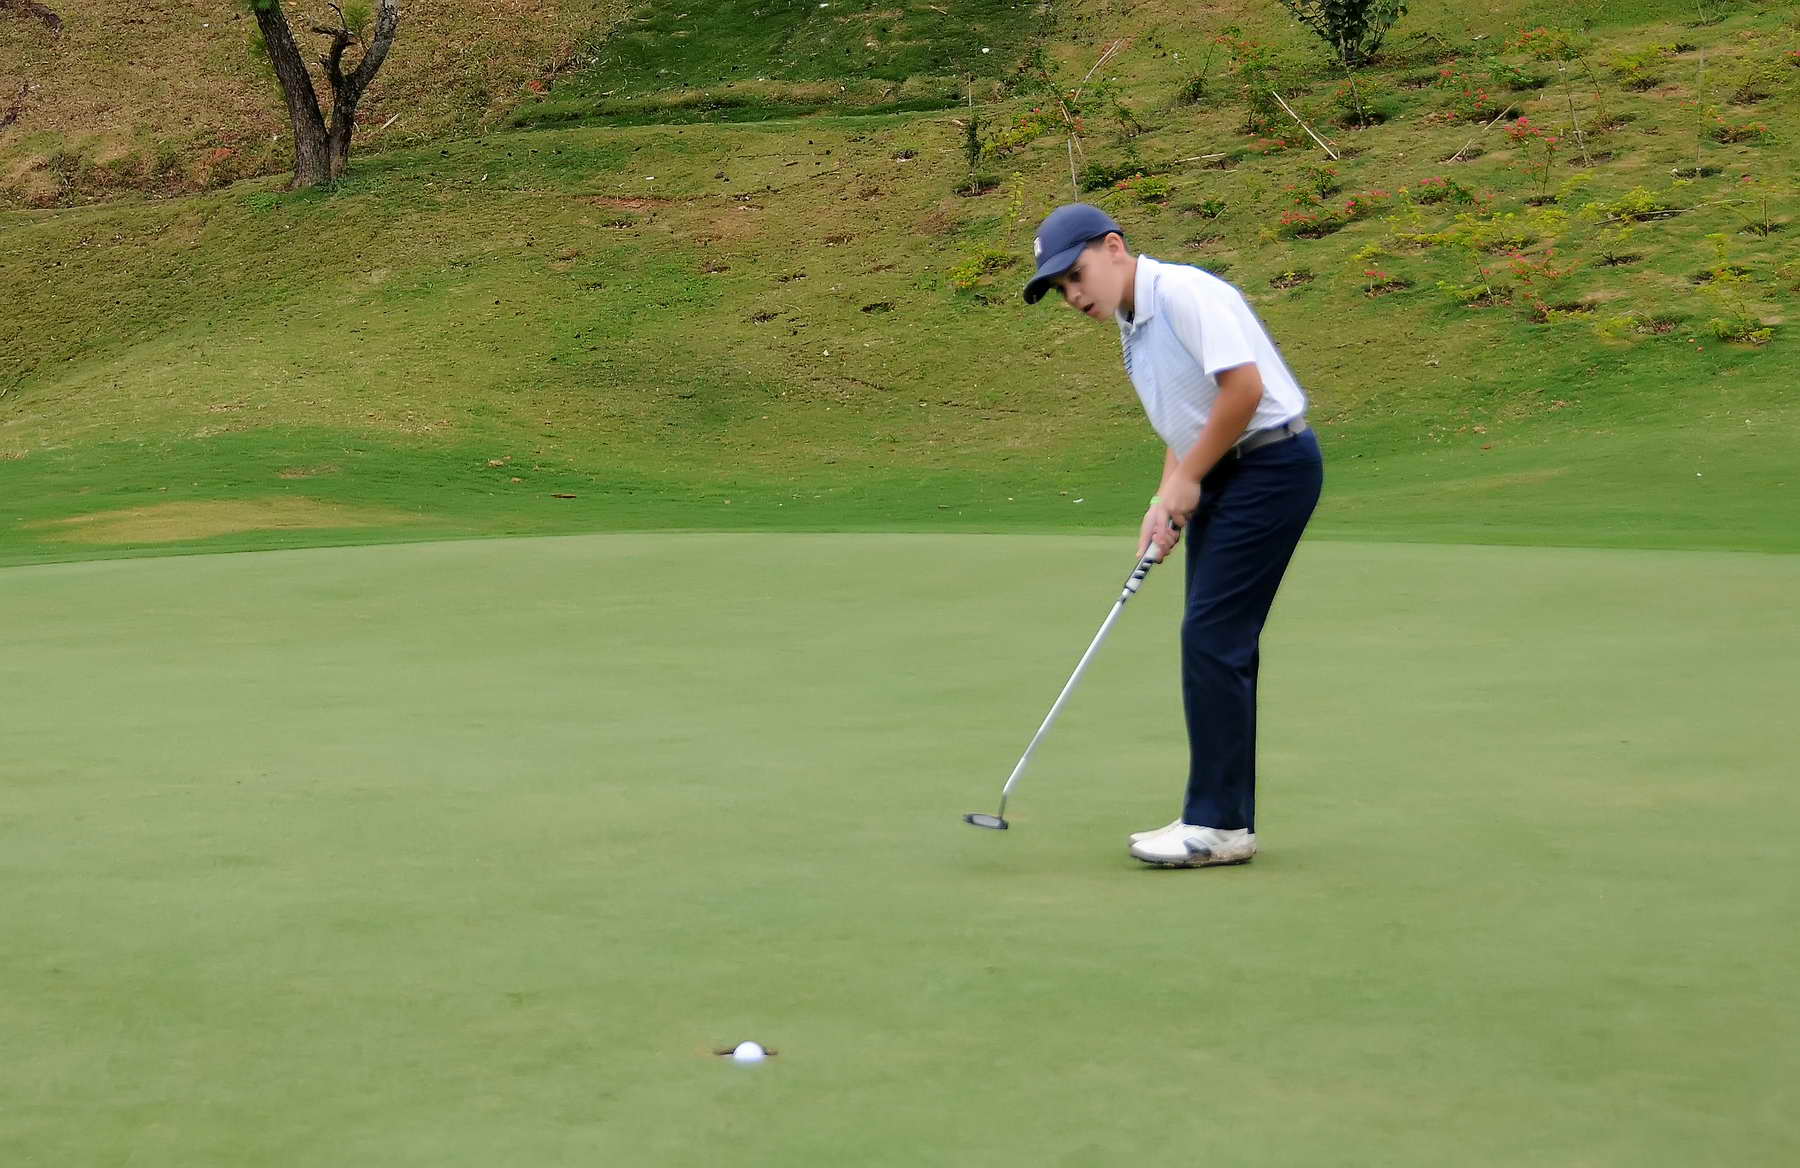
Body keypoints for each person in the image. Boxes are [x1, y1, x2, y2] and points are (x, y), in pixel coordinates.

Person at [1022, 203, 1323, 868]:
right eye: (1061, 289)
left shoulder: (1184, 293)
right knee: (1216, 640)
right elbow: (1187, 417)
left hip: (1271, 466)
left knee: (1213, 637)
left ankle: (1217, 825)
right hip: (1226, 470)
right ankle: (1222, 818)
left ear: (1114, 247)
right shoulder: (1132, 323)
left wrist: (1188, 478)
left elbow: (1242, 391)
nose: (1073, 295)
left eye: (1076, 275)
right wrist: (1167, 497)